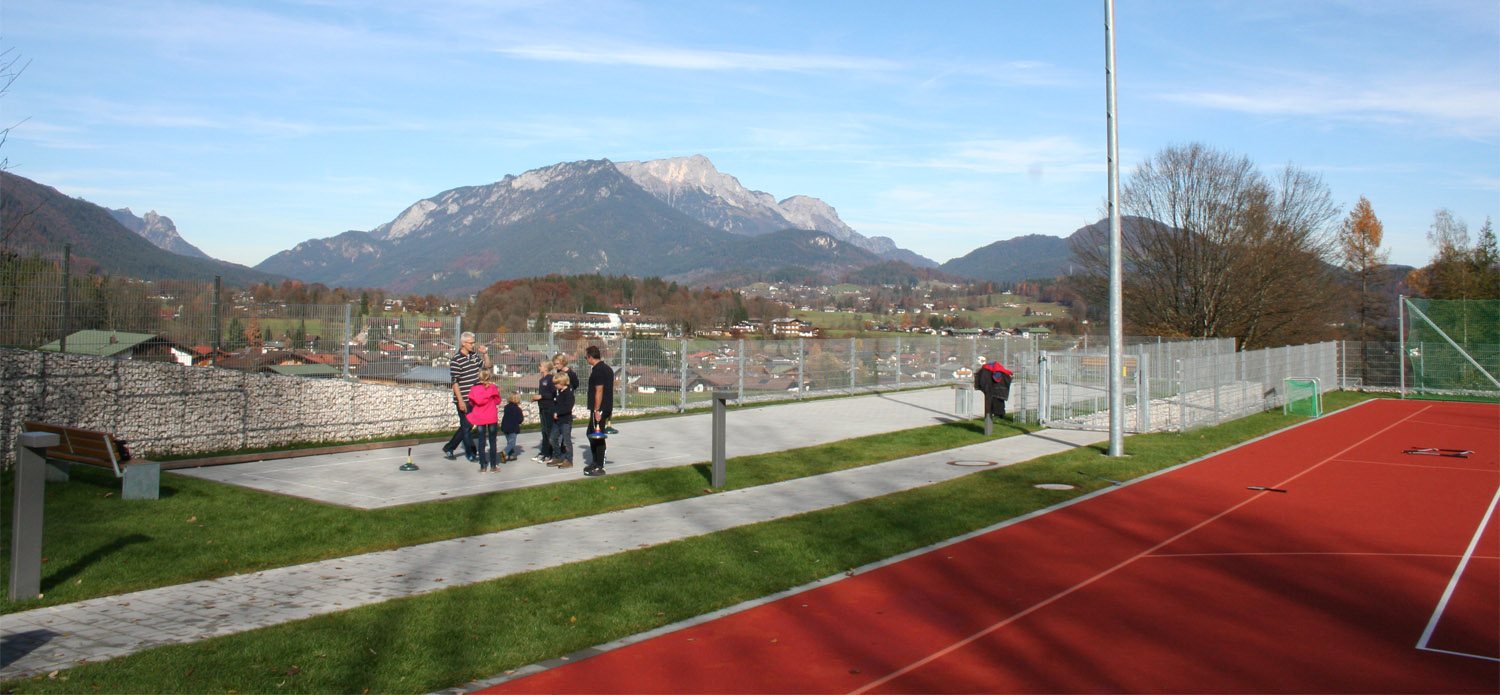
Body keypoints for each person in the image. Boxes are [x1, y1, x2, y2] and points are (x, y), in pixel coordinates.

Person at [443, 332, 489, 461]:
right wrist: (460, 401)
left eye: (473, 342)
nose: (473, 345)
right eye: (470, 343)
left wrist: (485, 353)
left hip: (476, 398)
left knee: (467, 426)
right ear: (463, 343)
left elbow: (487, 366)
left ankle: (449, 447)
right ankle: (471, 453)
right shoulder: (456, 360)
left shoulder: (473, 356)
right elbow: (455, 382)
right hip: (464, 398)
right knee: (467, 426)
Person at [583, 344, 614, 476]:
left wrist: (597, 410)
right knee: (591, 433)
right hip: (604, 407)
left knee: (597, 435)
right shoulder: (607, 369)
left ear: (590, 357)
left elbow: (599, 391)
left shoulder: (599, 370)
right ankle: (595, 461)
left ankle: (599, 465)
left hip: (600, 409)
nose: (586, 360)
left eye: (586, 357)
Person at [467, 369, 502, 471]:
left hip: (479, 416)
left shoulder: (474, 389)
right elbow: (498, 401)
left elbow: (472, 403)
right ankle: (493, 465)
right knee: (492, 441)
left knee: (481, 441)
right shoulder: (492, 388)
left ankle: (482, 466)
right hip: (491, 415)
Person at [530, 361, 555, 463]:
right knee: (544, 431)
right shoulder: (542, 380)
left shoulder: (550, 379)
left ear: (545, 368)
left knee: (548, 431)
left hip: (549, 408)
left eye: (540, 366)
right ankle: (544, 452)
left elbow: (553, 394)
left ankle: (549, 453)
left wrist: (542, 396)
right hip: (543, 408)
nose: (539, 367)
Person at [549, 371, 575, 468]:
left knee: (566, 441)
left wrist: (558, 412)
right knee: (552, 439)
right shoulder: (558, 393)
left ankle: (569, 460)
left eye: (557, 384)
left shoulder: (568, 394)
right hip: (557, 421)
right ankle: (557, 456)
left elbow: (568, 407)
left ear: (563, 383)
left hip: (565, 420)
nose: (555, 386)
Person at [500, 391, 524, 461]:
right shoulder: (518, 409)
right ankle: (504, 452)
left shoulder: (506, 407)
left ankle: (511, 455)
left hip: (505, 427)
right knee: (512, 444)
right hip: (513, 428)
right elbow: (520, 420)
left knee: (509, 442)